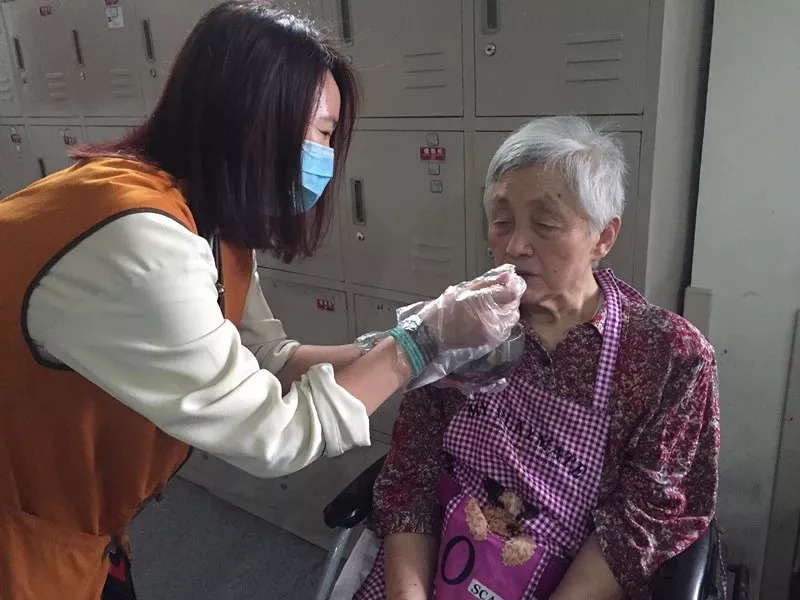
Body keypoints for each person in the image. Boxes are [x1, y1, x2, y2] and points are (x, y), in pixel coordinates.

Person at [0, 3, 525, 599]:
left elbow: (266, 358)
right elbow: (275, 434)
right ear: (252, 118)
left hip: (78, 520)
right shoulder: (139, 237)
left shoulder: (204, 218)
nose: (327, 155)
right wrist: (419, 342)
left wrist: (405, 346)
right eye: (322, 132)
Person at [352, 117, 720, 600]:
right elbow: (410, 472)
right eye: (501, 220)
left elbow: (638, 524)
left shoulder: (668, 357)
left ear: (603, 238)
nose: (515, 246)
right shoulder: (464, 322)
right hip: (439, 563)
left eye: (545, 224)